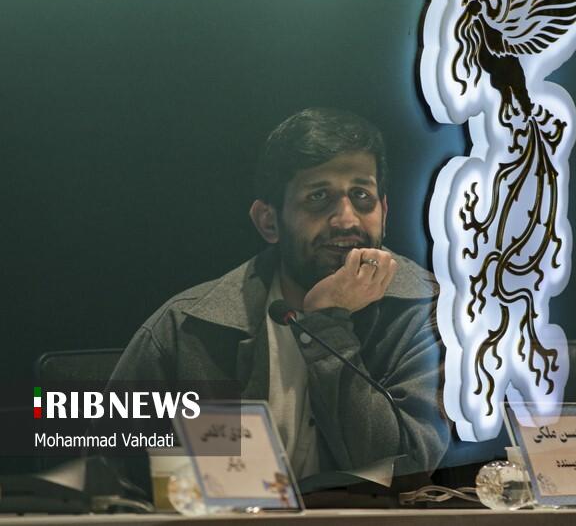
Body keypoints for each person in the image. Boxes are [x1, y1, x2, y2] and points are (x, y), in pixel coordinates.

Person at [109, 107, 449, 482]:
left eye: (361, 195)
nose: (347, 219)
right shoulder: (186, 328)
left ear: (384, 212)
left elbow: (405, 470)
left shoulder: (431, 314)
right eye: (318, 196)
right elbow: (108, 478)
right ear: (269, 222)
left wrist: (328, 320)